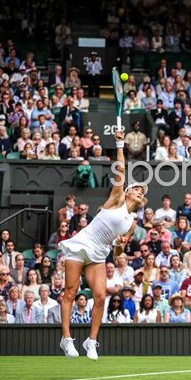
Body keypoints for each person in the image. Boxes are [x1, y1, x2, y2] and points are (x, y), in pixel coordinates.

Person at [58, 129, 148, 360]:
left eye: (142, 191)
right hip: (82, 245)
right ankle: (67, 339)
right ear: (127, 192)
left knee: (99, 297)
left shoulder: (132, 222)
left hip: (100, 253)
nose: (140, 191)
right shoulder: (116, 198)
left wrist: (119, 245)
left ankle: (92, 341)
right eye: (136, 188)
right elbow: (120, 169)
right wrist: (119, 144)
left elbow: (118, 251)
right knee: (70, 291)